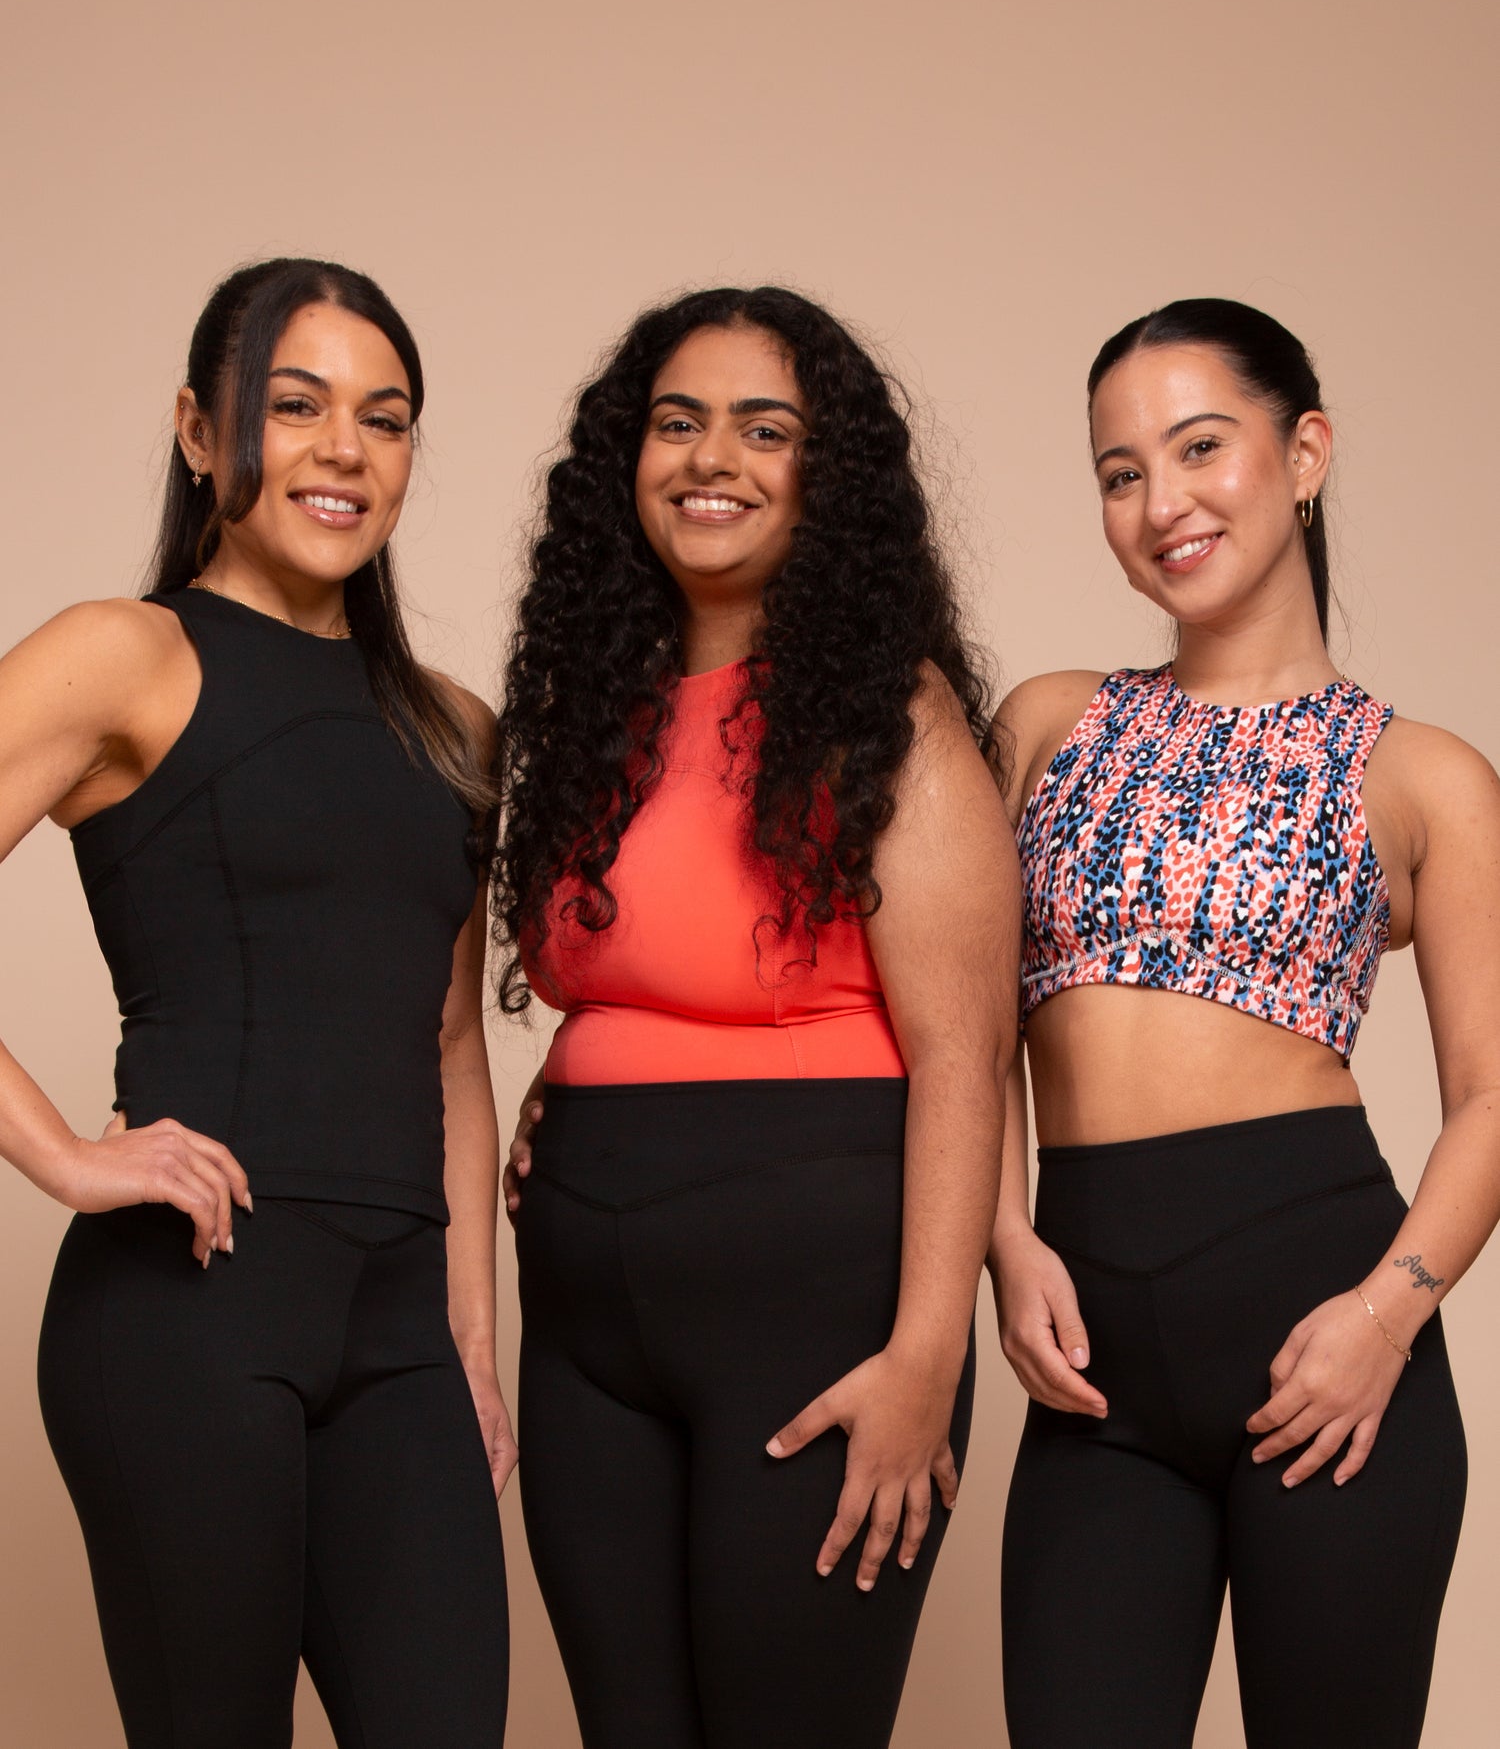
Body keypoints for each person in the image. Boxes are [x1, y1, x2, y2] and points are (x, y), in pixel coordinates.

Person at [491, 286, 1016, 1748]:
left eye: (763, 429)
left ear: (824, 478)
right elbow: (633, 975)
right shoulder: (602, 710)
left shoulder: (887, 718)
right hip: (588, 1326)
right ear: (628, 460)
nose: (710, 456)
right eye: (677, 421)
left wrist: (927, 1358)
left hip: (815, 1317)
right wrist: (572, 1085)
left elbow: (967, 1060)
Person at [3, 259, 512, 1748]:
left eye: (386, 416)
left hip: (401, 1331)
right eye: (295, 407)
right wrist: (66, 1155)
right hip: (185, 1317)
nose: (344, 449)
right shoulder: (129, 654)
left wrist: (472, 1339)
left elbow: (449, 1043)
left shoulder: (453, 725)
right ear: (196, 426)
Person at [990, 298, 1495, 1748]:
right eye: (1120, 471)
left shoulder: (1426, 775)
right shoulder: (1044, 721)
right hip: (1093, 1379)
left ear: (1307, 450)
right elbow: (926, 1003)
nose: (1163, 503)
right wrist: (1001, 1233)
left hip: (1329, 1345)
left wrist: (1388, 1319)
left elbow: (1494, 1098)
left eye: (1200, 448)